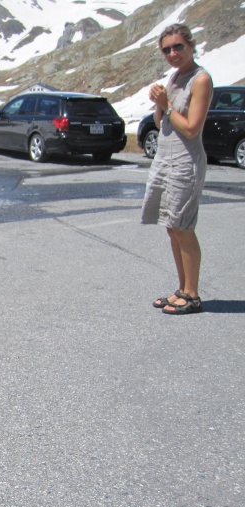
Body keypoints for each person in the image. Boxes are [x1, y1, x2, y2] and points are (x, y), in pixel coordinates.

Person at [141, 23, 213, 315]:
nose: (173, 53)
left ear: (191, 46)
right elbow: (161, 124)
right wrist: (159, 105)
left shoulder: (201, 79)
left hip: (185, 162)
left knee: (184, 228)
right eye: (167, 49)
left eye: (178, 46)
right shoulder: (174, 77)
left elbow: (192, 129)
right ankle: (181, 289)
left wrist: (166, 103)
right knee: (172, 227)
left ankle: (192, 295)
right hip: (165, 160)